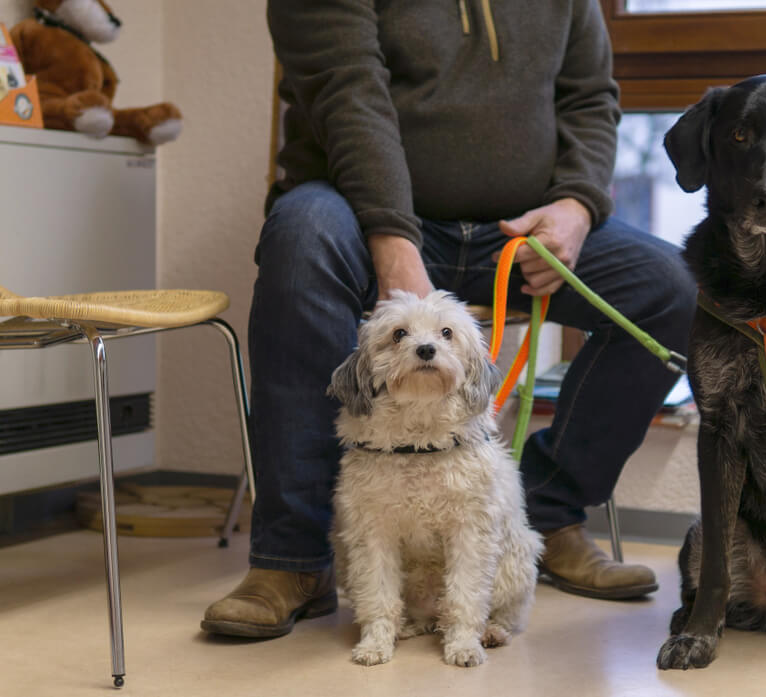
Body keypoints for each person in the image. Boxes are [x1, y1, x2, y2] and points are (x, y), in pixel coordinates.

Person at [201, 0, 696, 638]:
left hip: (515, 225)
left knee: (673, 288)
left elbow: (589, 98)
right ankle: (293, 559)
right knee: (301, 244)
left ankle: (545, 510)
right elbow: (348, 95)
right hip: (360, 208)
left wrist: (576, 203)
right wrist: (392, 238)